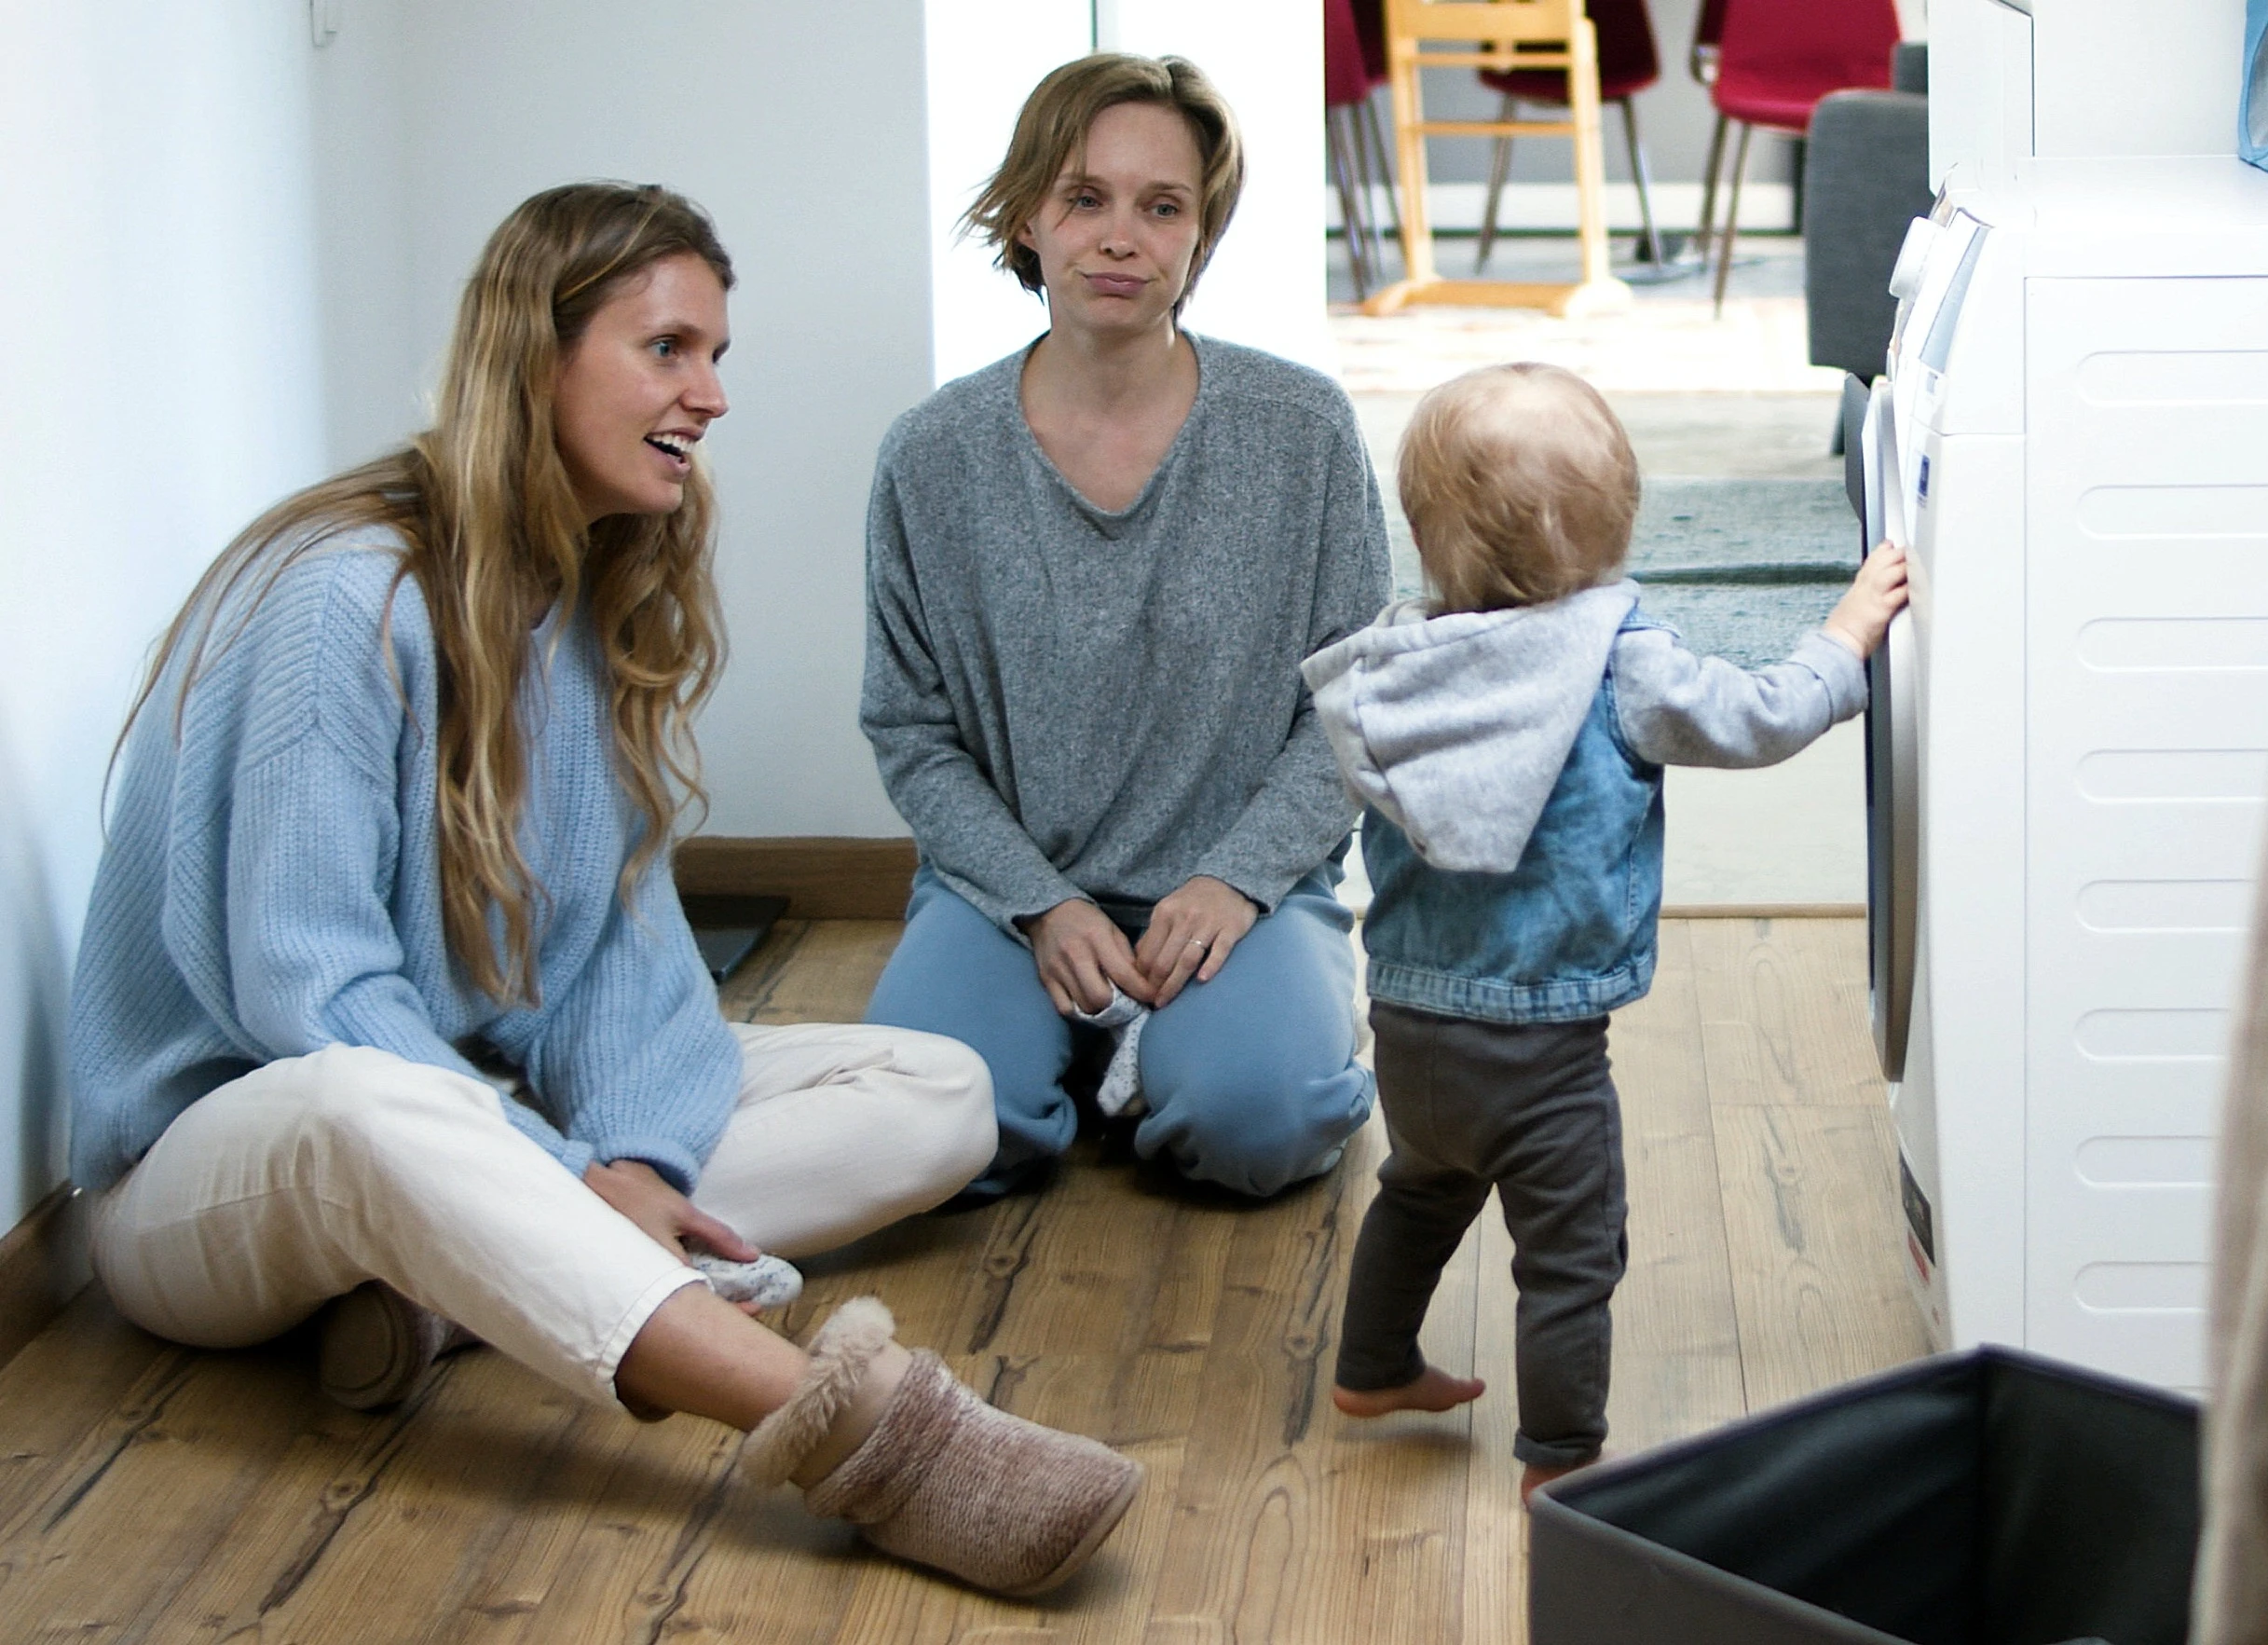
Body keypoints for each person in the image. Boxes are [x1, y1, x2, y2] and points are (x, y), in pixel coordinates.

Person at [66, 182, 1139, 1597]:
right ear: (536, 358)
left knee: (938, 1090)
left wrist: (633, 1154)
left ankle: (453, 1291)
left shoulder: (586, 592)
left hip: (475, 1111)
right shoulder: (345, 597)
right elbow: (304, 993)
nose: (713, 395)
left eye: (716, 356)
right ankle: (852, 1427)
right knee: (366, 1100)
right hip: (229, 1163)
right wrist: (572, 1171)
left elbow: (623, 958)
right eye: (668, 350)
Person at [1305, 363, 1910, 1501]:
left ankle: (1370, 1365)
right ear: (1612, 526)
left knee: (1419, 1188)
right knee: (1571, 1256)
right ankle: (1562, 1458)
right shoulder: (1620, 657)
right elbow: (1755, 718)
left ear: (1425, 538)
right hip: (1543, 1049)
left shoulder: (1396, 662)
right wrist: (1840, 640)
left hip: (1408, 1022)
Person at [860, 55, 1389, 1200]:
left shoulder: (1301, 430)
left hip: (1234, 899)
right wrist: (1039, 902)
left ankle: (1198, 1055)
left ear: (1200, 235)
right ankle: (1090, 1058)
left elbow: (1352, 701)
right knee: (920, 1137)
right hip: (1006, 898)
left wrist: (1238, 879)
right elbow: (910, 729)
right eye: (1083, 198)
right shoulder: (930, 455)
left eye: (1161, 207)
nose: (1119, 238)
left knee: (1257, 1124)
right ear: (1026, 216)